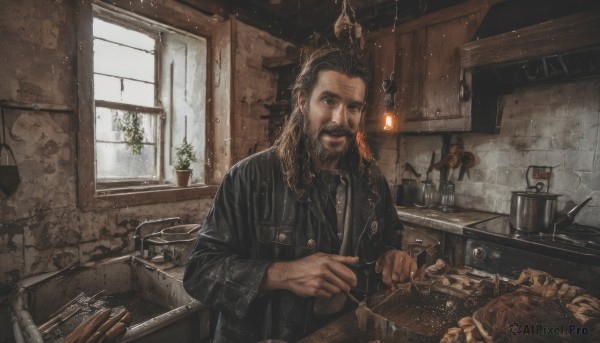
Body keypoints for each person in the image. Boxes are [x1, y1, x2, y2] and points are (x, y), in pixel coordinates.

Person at [183, 45, 417, 343]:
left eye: (353, 107)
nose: (340, 119)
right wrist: (283, 274)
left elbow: (388, 244)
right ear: (303, 101)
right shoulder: (249, 177)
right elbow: (200, 271)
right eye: (329, 101)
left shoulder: (372, 181)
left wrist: (393, 257)